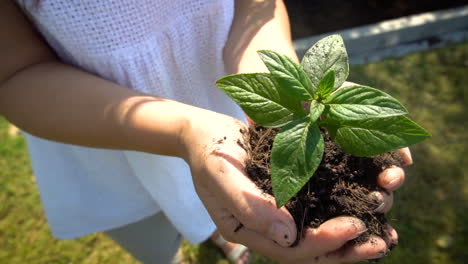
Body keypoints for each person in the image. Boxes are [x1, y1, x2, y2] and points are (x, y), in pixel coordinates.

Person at [0, 0, 410, 263]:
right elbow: (15, 73)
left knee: (229, 193)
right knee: (149, 231)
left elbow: (257, 8)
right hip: (91, 127)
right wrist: (182, 130)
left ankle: (221, 234)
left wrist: (284, 87)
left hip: (219, 109)